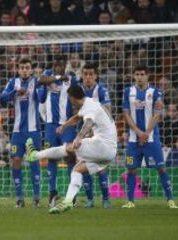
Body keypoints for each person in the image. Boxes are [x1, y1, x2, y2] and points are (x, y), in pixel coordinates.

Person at [25, 84, 117, 214]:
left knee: (69, 148)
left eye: (69, 98)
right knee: (77, 170)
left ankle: (35, 155)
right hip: (109, 152)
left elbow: (88, 122)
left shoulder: (89, 106)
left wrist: (79, 137)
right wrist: (64, 126)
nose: (69, 101)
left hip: (103, 145)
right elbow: (77, 118)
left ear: (73, 98)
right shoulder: (89, 103)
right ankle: (68, 201)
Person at [122, 65, 178, 209]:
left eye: (142, 74)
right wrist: (138, 132)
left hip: (151, 139)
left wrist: (146, 133)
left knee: (161, 168)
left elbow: (157, 114)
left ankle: (170, 200)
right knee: (131, 169)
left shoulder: (155, 92)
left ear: (147, 76)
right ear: (134, 76)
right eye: (137, 74)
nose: (139, 77)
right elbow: (126, 114)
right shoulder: (128, 91)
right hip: (133, 140)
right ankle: (130, 201)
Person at [37, 55, 78, 207]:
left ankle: (71, 194)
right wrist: (57, 78)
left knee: (70, 156)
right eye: (57, 64)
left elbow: (78, 100)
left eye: (62, 64)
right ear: (54, 64)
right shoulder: (47, 76)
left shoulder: (71, 78)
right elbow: (41, 98)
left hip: (67, 125)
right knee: (51, 157)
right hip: (50, 126)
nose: (60, 66)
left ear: (66, 64)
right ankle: (52, 192)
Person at [1, 57, 41, 208]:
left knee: (33, 161)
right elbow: (3, 98)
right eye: (22, 67)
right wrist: (15, 92)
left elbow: (42, 99)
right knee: (16, 161)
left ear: (31, 69)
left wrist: (34, 91)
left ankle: (36, 198)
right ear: (18, 70)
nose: (25, 70)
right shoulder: (13, 82)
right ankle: (19, 198)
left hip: (33, 131)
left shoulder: (36, 81)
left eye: (27, 67)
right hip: (17, 132)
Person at [79, 63, 112, 208]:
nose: (87, 77)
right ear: (82, 75)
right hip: (83, 132)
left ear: (95, 76)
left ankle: (105, 199)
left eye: (90, 74)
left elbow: (108, 111)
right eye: (85, 74)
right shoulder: (78, 90)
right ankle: (90, 199)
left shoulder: (102, 90)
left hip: (99, 133)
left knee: (101, 166)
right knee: (84, 164)